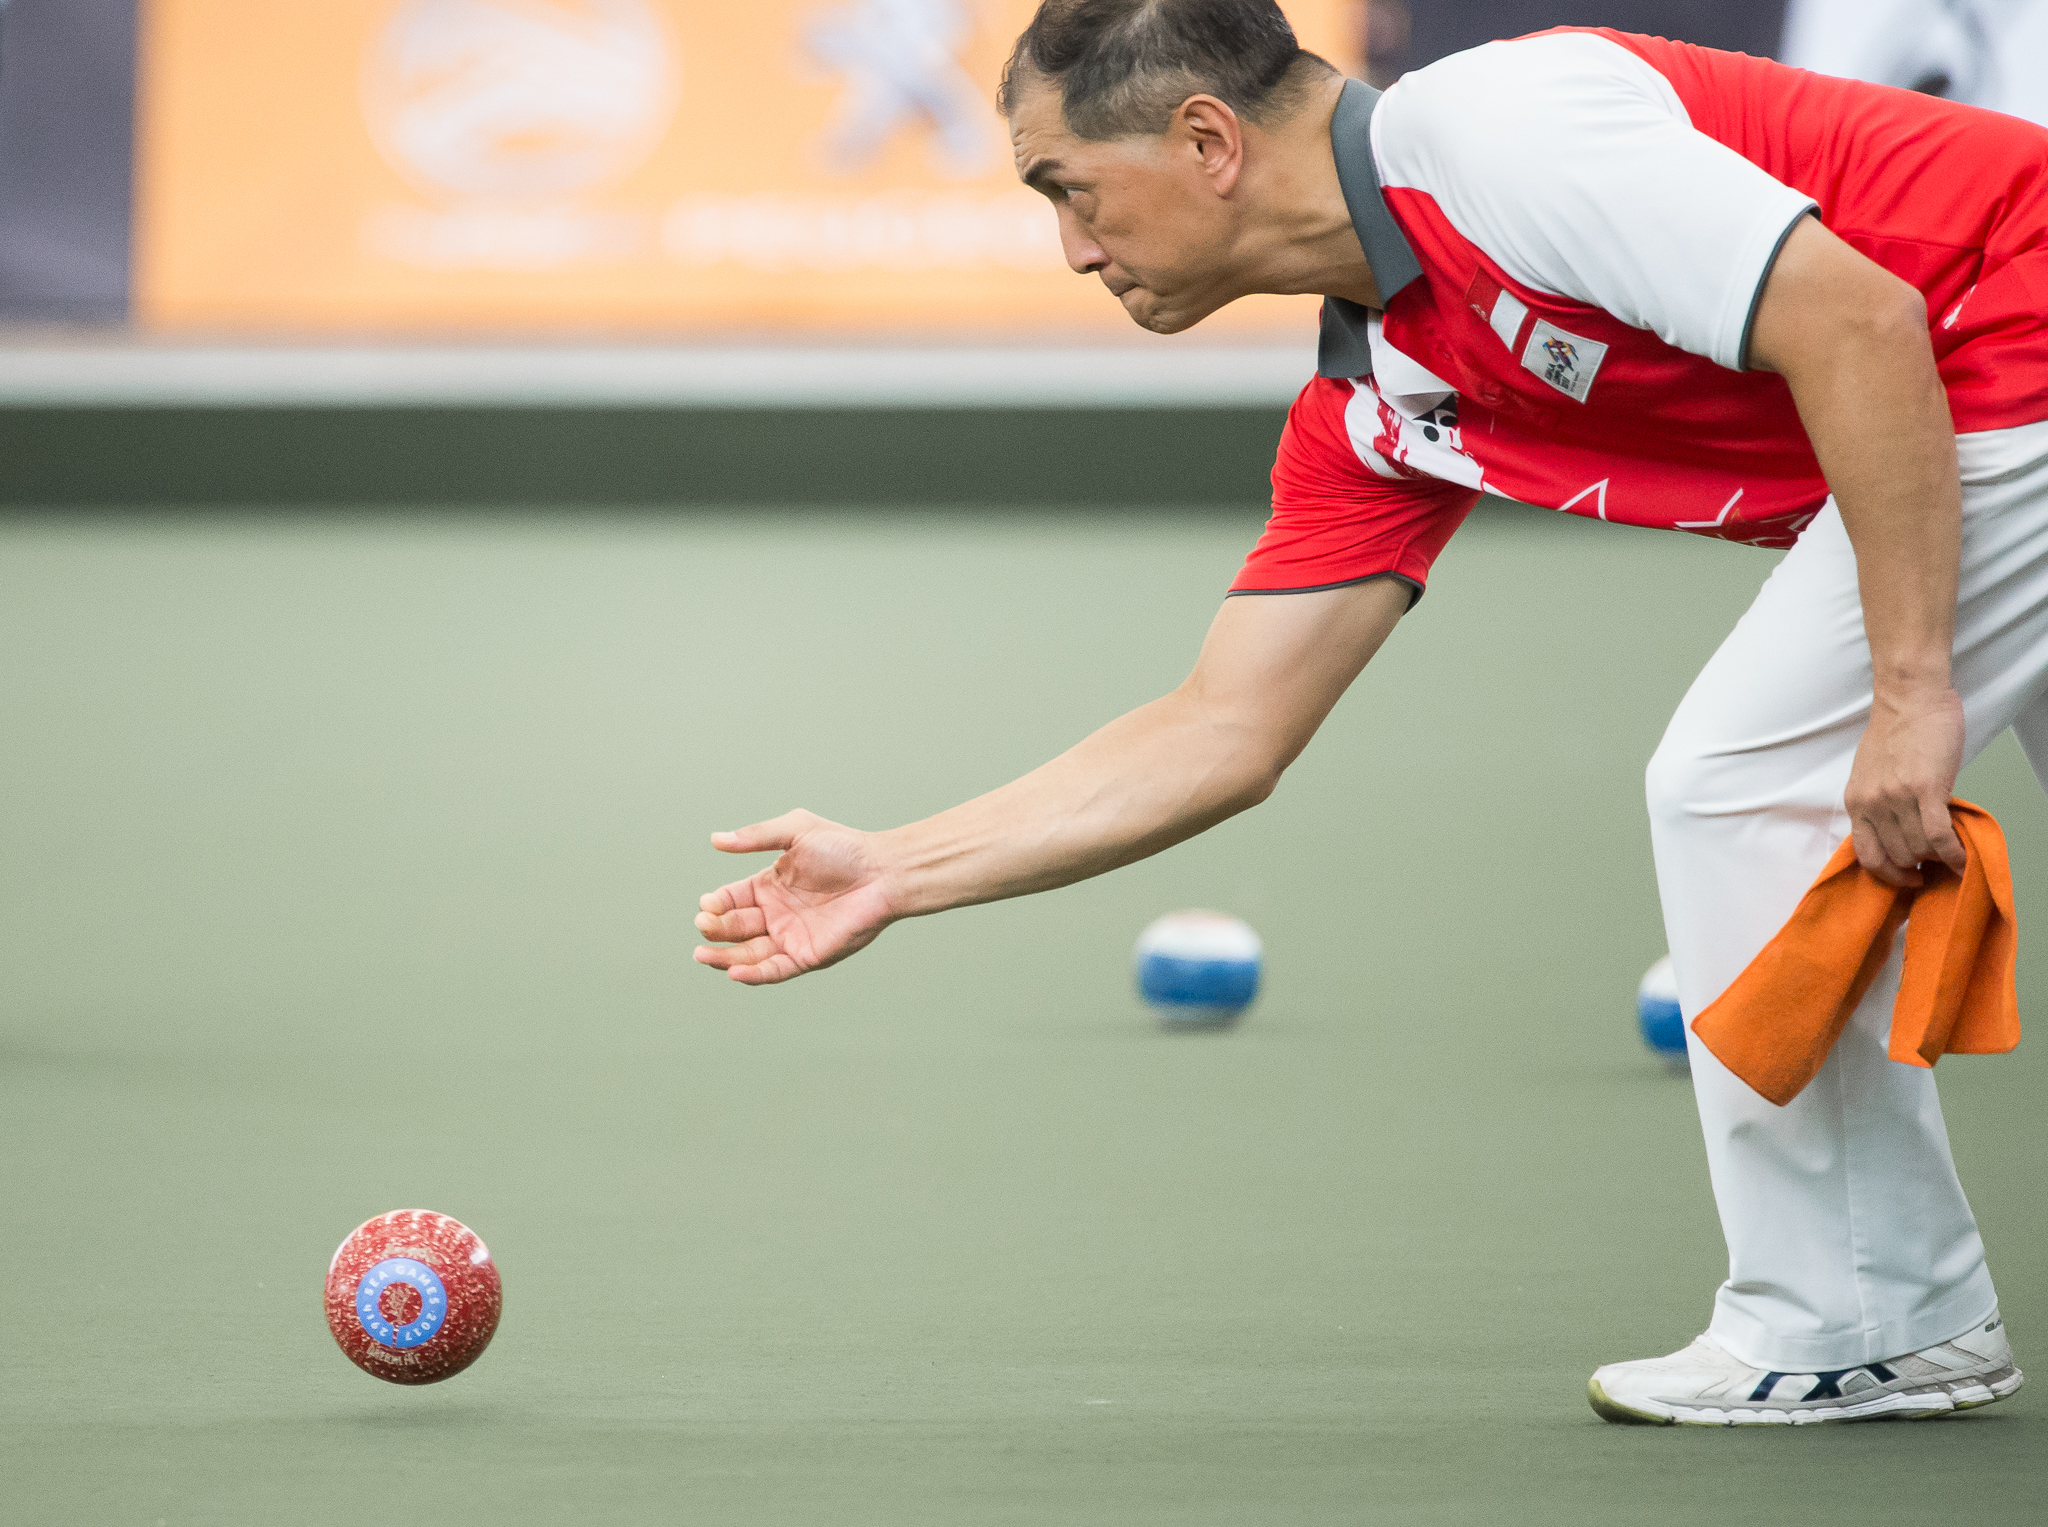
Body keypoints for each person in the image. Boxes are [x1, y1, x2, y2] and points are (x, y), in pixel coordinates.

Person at [694, 0, 2048, 1424]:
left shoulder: (1498, 138)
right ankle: (1875, 1308)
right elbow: (1223, 729)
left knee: (1734, 783)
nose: (1075, 250)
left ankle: (1867, 1313)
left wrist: (1907, 692)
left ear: (1206, 139)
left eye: (1072, 192)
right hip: (1983, 393)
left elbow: (1862, 315)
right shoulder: (1386, 389)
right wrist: (899, 868)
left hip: (2008, 342)